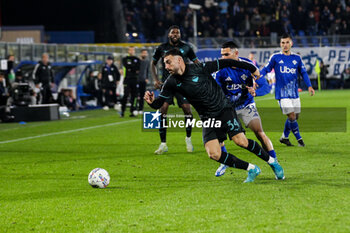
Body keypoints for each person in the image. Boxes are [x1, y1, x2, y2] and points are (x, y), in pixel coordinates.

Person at [144, 48, 285, 183]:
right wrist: (151, 102)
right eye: (164, 63)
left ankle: (272, 162)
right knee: (214, 154)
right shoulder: (171, 82)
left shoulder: (200, 68)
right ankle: (252, 169)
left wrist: (252, 69)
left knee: (241, 141)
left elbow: (227, 62)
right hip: (207, 118)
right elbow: (158, 103)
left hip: (223, 109)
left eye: (168, 62)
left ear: (179, 60)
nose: (165, 66)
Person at [213, 41, 276, 177]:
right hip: (228, 108)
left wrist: (255, 92)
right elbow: (215, 90)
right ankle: (224, 161)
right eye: (221, 55)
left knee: (259, 133)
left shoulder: (248, 65)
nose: (222, 58)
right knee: (218, 136)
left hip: (246, 104)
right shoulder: (220, 70)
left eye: (226, 54)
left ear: (236, 53)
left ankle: (274, 162)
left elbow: (265, 86)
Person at [151, 25, 199, 154]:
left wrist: (199, 76)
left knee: (187, 110)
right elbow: (153, 63)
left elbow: (196, 62)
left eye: (177, 33)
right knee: (163, 111)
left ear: (180, 35)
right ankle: (163, 144)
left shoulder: (186, 48)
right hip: (167, 84)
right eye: (173, 32)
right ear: (169, 34)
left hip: (182, 83)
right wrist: (156, 80)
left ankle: (188, 138)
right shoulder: (161, 48)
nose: (175, 34)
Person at [260, 34, 315, 147]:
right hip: (282, 93)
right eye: (282, 43)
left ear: (291, 43)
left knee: (295, 116)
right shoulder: (275, 57)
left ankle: (284, 137)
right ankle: (299, 140)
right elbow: (266, 69)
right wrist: (257, 76)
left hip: (294, 93)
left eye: (287, 42)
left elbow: (303, 72)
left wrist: (309, 86)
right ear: (280, 44)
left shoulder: (297, 58)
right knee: (292, 116)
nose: (285, 45)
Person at [121, 47, 141, 117]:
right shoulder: (125, 59)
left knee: (134, 96)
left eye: (133, 50)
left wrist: (131, 67)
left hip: (135, 79)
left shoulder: (137, 59)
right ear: (128, 51)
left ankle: (133, 110)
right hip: (127, 79)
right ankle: (122, 110)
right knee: (125, 95)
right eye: (130, 50)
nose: (131, 51)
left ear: (134, 51)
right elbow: (127, 66)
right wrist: (133, 68)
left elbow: (138, 68)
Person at [137, 49, 149, 114]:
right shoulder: (137, 61)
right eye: (143, 53)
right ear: (141, 53)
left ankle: (140, 109)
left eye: (145, 53)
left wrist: (147, 78)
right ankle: (135, 108)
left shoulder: (147, 61)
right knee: (136, 94)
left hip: (143, 80)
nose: (144, 54)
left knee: (142, 95)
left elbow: (147, 70)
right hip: (137, 80)